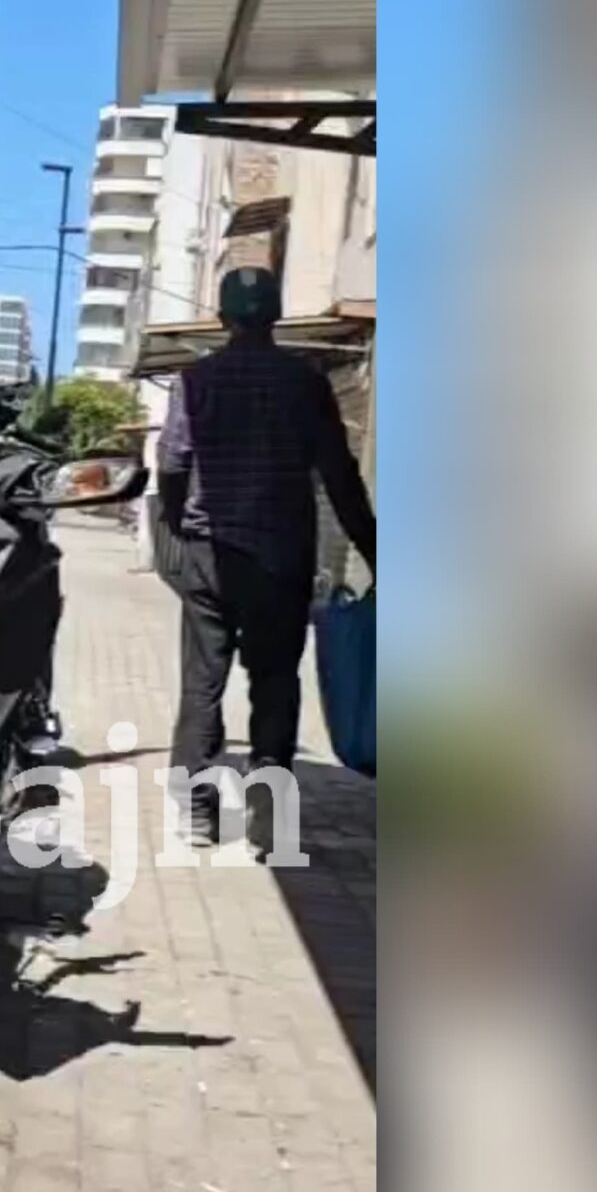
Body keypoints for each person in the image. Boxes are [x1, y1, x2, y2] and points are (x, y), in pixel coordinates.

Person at [156, 267, 376, 845]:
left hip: (209, 554)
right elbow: (339, 473)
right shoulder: (305, 384)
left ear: (222, 317)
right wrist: (374, 547)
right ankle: (268, 808)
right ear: (276, 315)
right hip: (280, 557)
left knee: (202, 682)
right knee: (275, 682)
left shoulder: (195, 381)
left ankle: (197, 809)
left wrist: (177, 524)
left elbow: (172, 463)